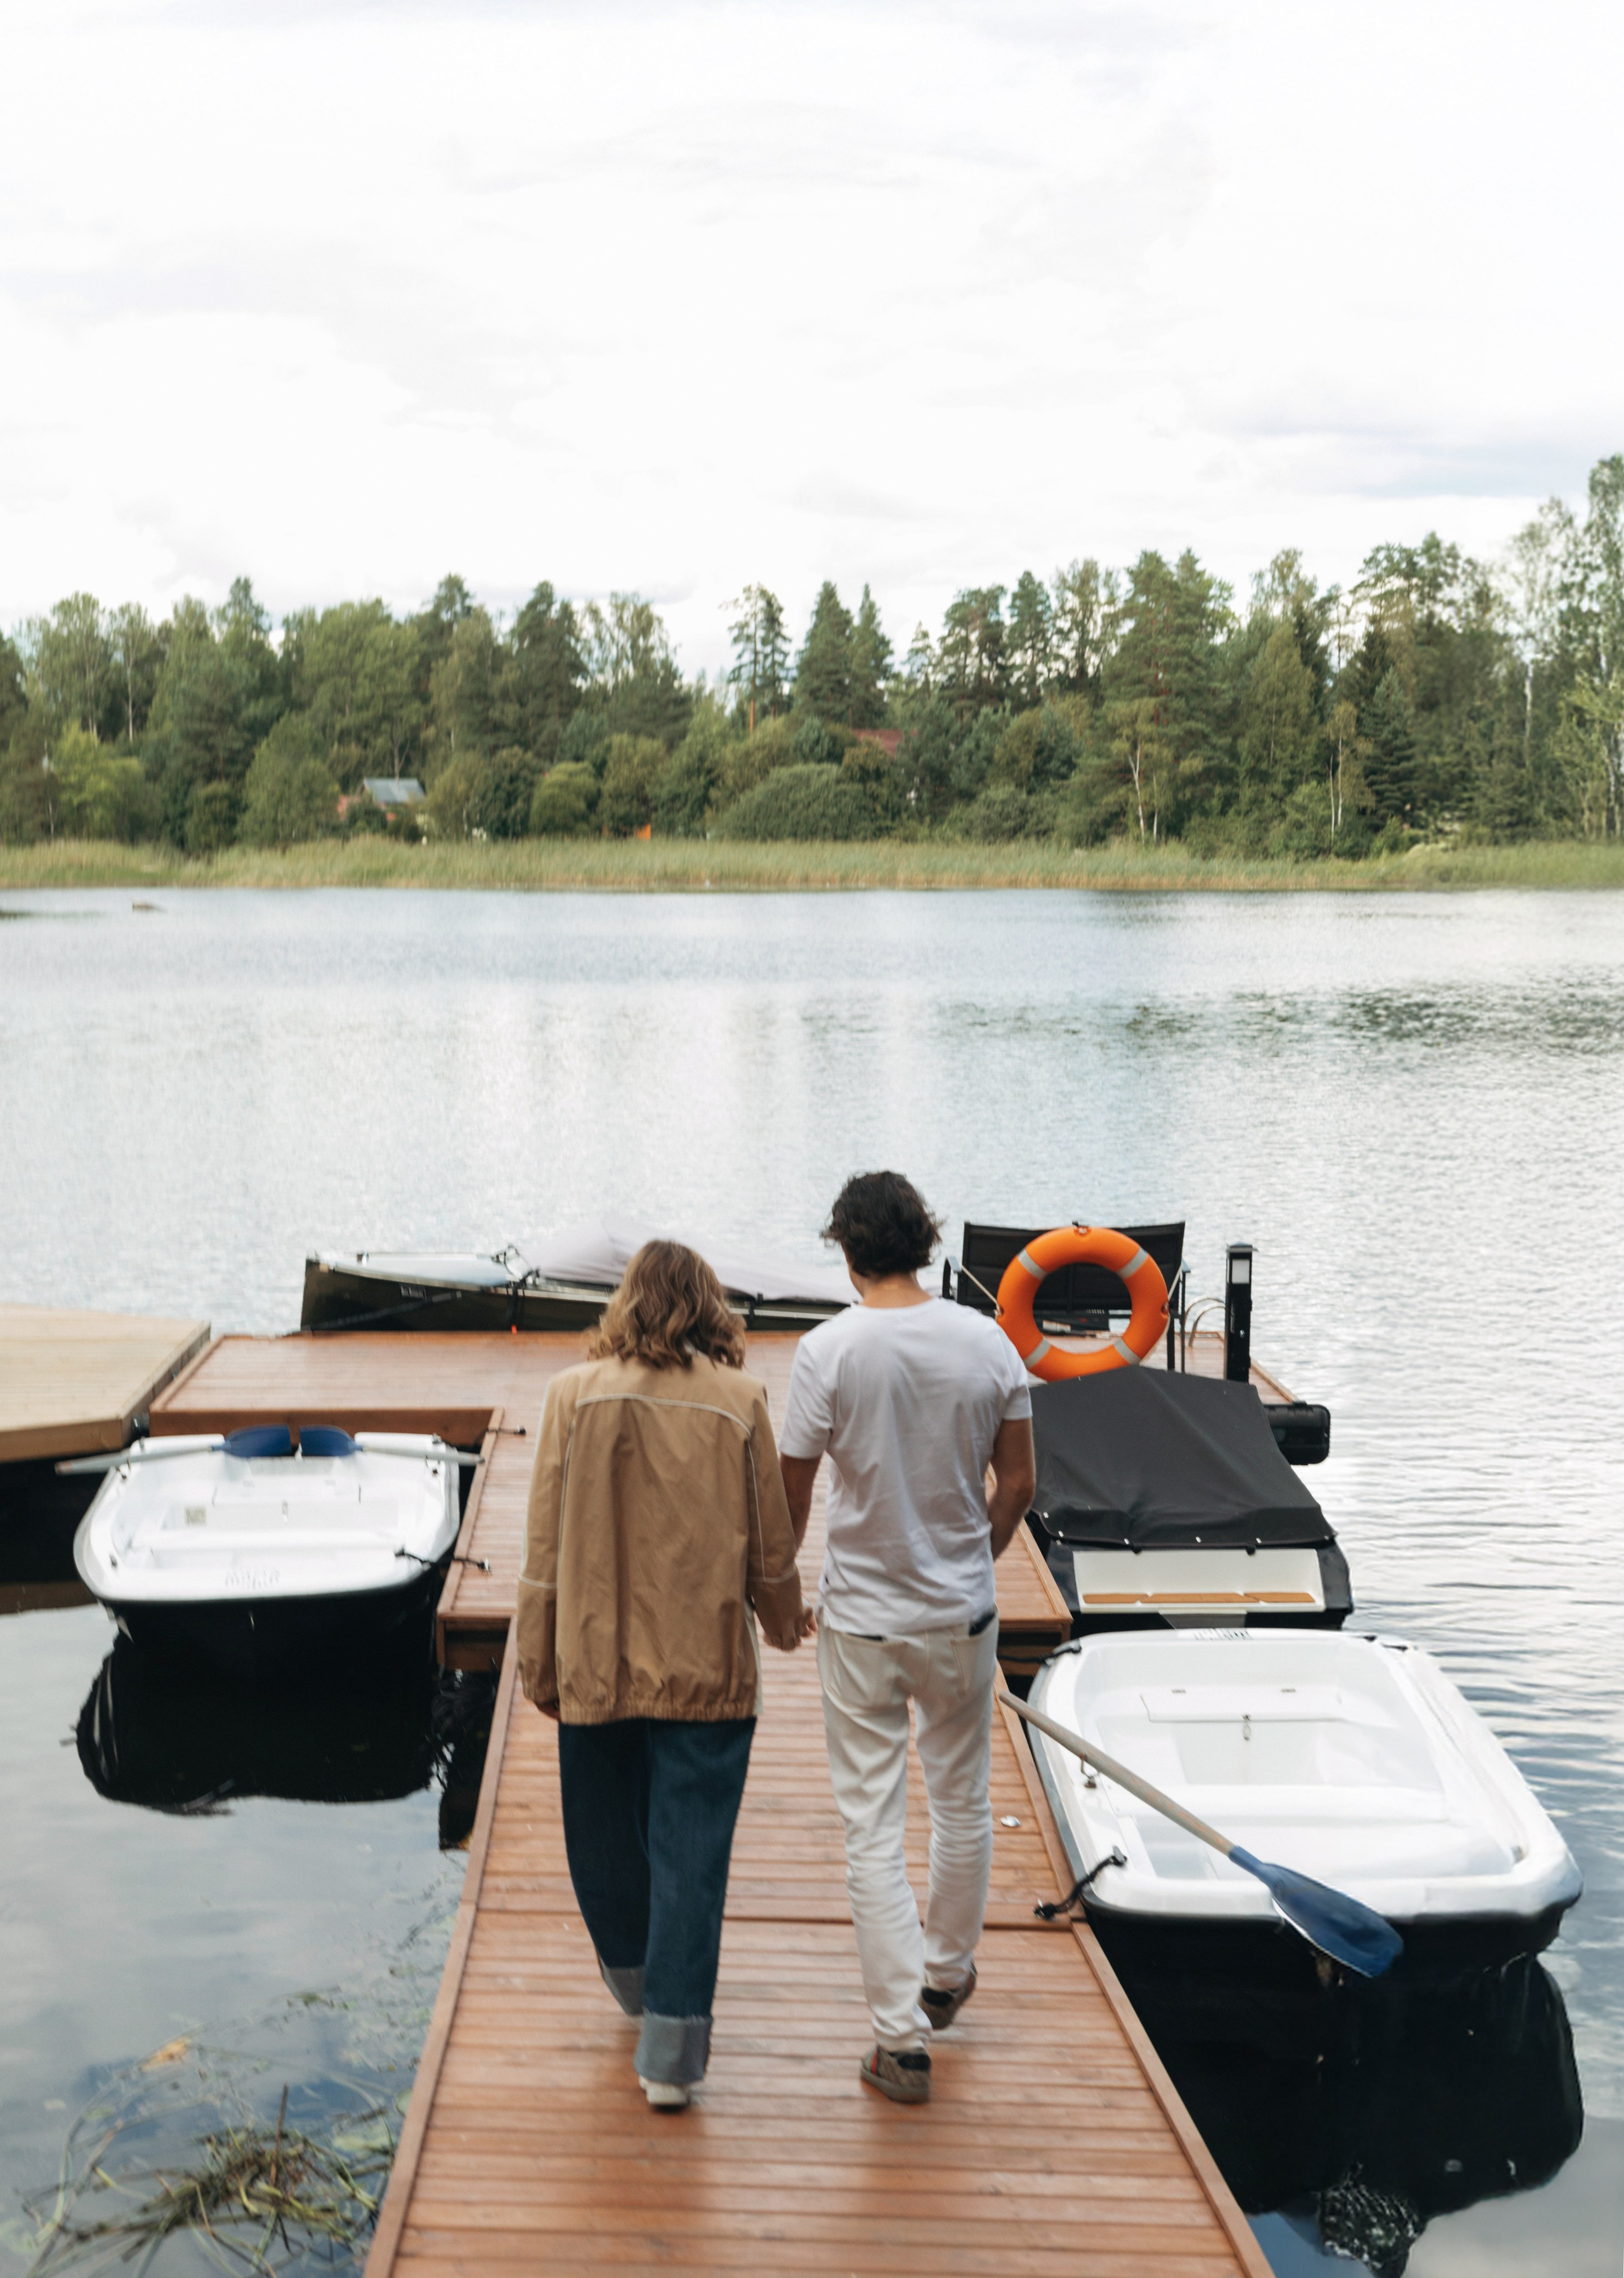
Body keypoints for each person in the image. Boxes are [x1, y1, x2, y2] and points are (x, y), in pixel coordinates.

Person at [517, 1239, 811, 2111]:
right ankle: (671, 2054)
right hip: (706, 1664)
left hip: (595, 1657)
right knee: (693, 1854)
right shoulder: (741, 1399)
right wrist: (783, 1617)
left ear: (624, 1306)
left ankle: (641, 1988)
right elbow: (771, 1540)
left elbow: (542, 1549)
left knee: (600, 1838)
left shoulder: (570, 1396)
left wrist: (538, 1656)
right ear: (712, 1309)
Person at [778, 1171, 1037, 2104]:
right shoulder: (987, 1340)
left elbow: (794, 1490)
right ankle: (946, 1975)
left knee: (872, 1827)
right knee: (962, 1799)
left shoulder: (827, 1350)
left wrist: (782, 1589)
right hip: (960, 1614)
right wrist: (983, 1551)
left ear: (846, 1248)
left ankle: (899, 2041)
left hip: (863, 1621)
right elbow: (1018, 1483)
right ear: (923, 1241)